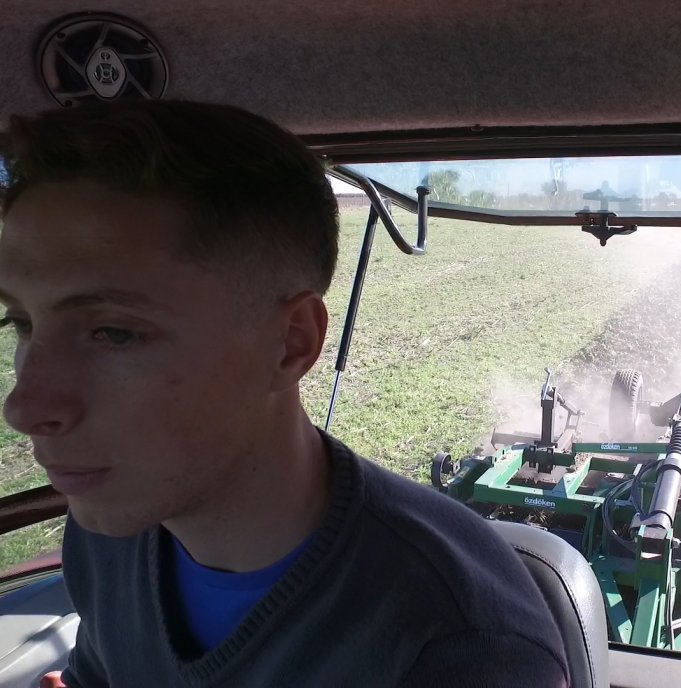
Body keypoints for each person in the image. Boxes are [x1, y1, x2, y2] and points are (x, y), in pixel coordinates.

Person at [0, 99, 570, 687]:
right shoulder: (105, 535)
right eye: (22, 323)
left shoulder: (460, 648)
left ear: (290, 344)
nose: (24, 406)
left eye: (113, 332)